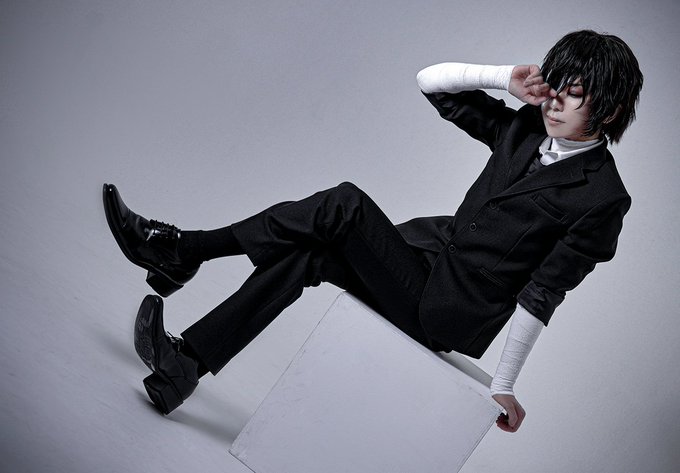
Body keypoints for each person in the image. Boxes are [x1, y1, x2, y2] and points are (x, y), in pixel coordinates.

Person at [103, 30, 642, 433]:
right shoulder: (525, 127)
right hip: (422, 257)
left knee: (344, 204)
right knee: (309, 254)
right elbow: (431, 84)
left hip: (447, 311)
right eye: (555, 86)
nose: (554, 101)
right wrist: (504, 77)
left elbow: (543, 293)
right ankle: (183, 368)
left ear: (609, 109)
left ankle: (184, 250)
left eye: (573, 94)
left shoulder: (602, 197)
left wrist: (503, 385)